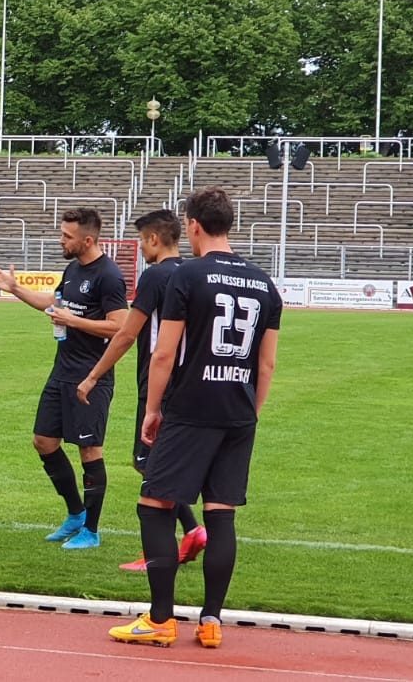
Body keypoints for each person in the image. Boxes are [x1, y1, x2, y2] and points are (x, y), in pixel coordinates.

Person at [109, 187, 281, 648]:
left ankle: (161, 619)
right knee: (221, 514)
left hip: (190, 409)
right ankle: (211, 621)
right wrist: (250, 414)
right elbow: (266, 365)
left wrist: (152, 410)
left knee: (154, 505)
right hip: (238, 411)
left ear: (194, 225)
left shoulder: (187, 274)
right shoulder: (264, 283)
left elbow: (164, 354)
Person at [0, 208, 127, 550]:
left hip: (92, 375)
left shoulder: (109, 276)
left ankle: (91, 531)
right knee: (44, 441)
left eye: (67, 236)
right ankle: (76, 513)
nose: (61, 240)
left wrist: (73, 321)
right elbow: (54, 302)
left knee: (89, 449)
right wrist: (15, 289)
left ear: (87, 240)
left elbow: (119, 327)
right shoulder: (73, 269)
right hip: (62, 370)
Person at [77, 210, 206, 571]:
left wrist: (93, 376)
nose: (140, 249)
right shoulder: (193, 274)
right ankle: (191, 530)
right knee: (158, 463)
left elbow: (126, 334)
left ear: (153, 239)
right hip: (190, 380)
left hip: (158, 382)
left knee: (148, 463)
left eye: (141, 241)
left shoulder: (155, 276)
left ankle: (163, 549)